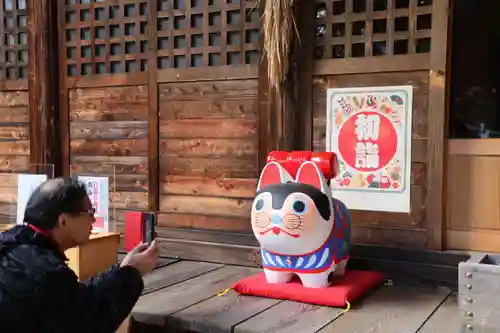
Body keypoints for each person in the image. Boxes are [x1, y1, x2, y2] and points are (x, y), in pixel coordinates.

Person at [0, 178, 158, 333]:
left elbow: (79, 297)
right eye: (89, 213)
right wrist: (133, 273)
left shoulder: (11, 244)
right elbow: (91, 321)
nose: (94, 219)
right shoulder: (47, 273)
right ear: (63, 221)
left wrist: (123, 270)